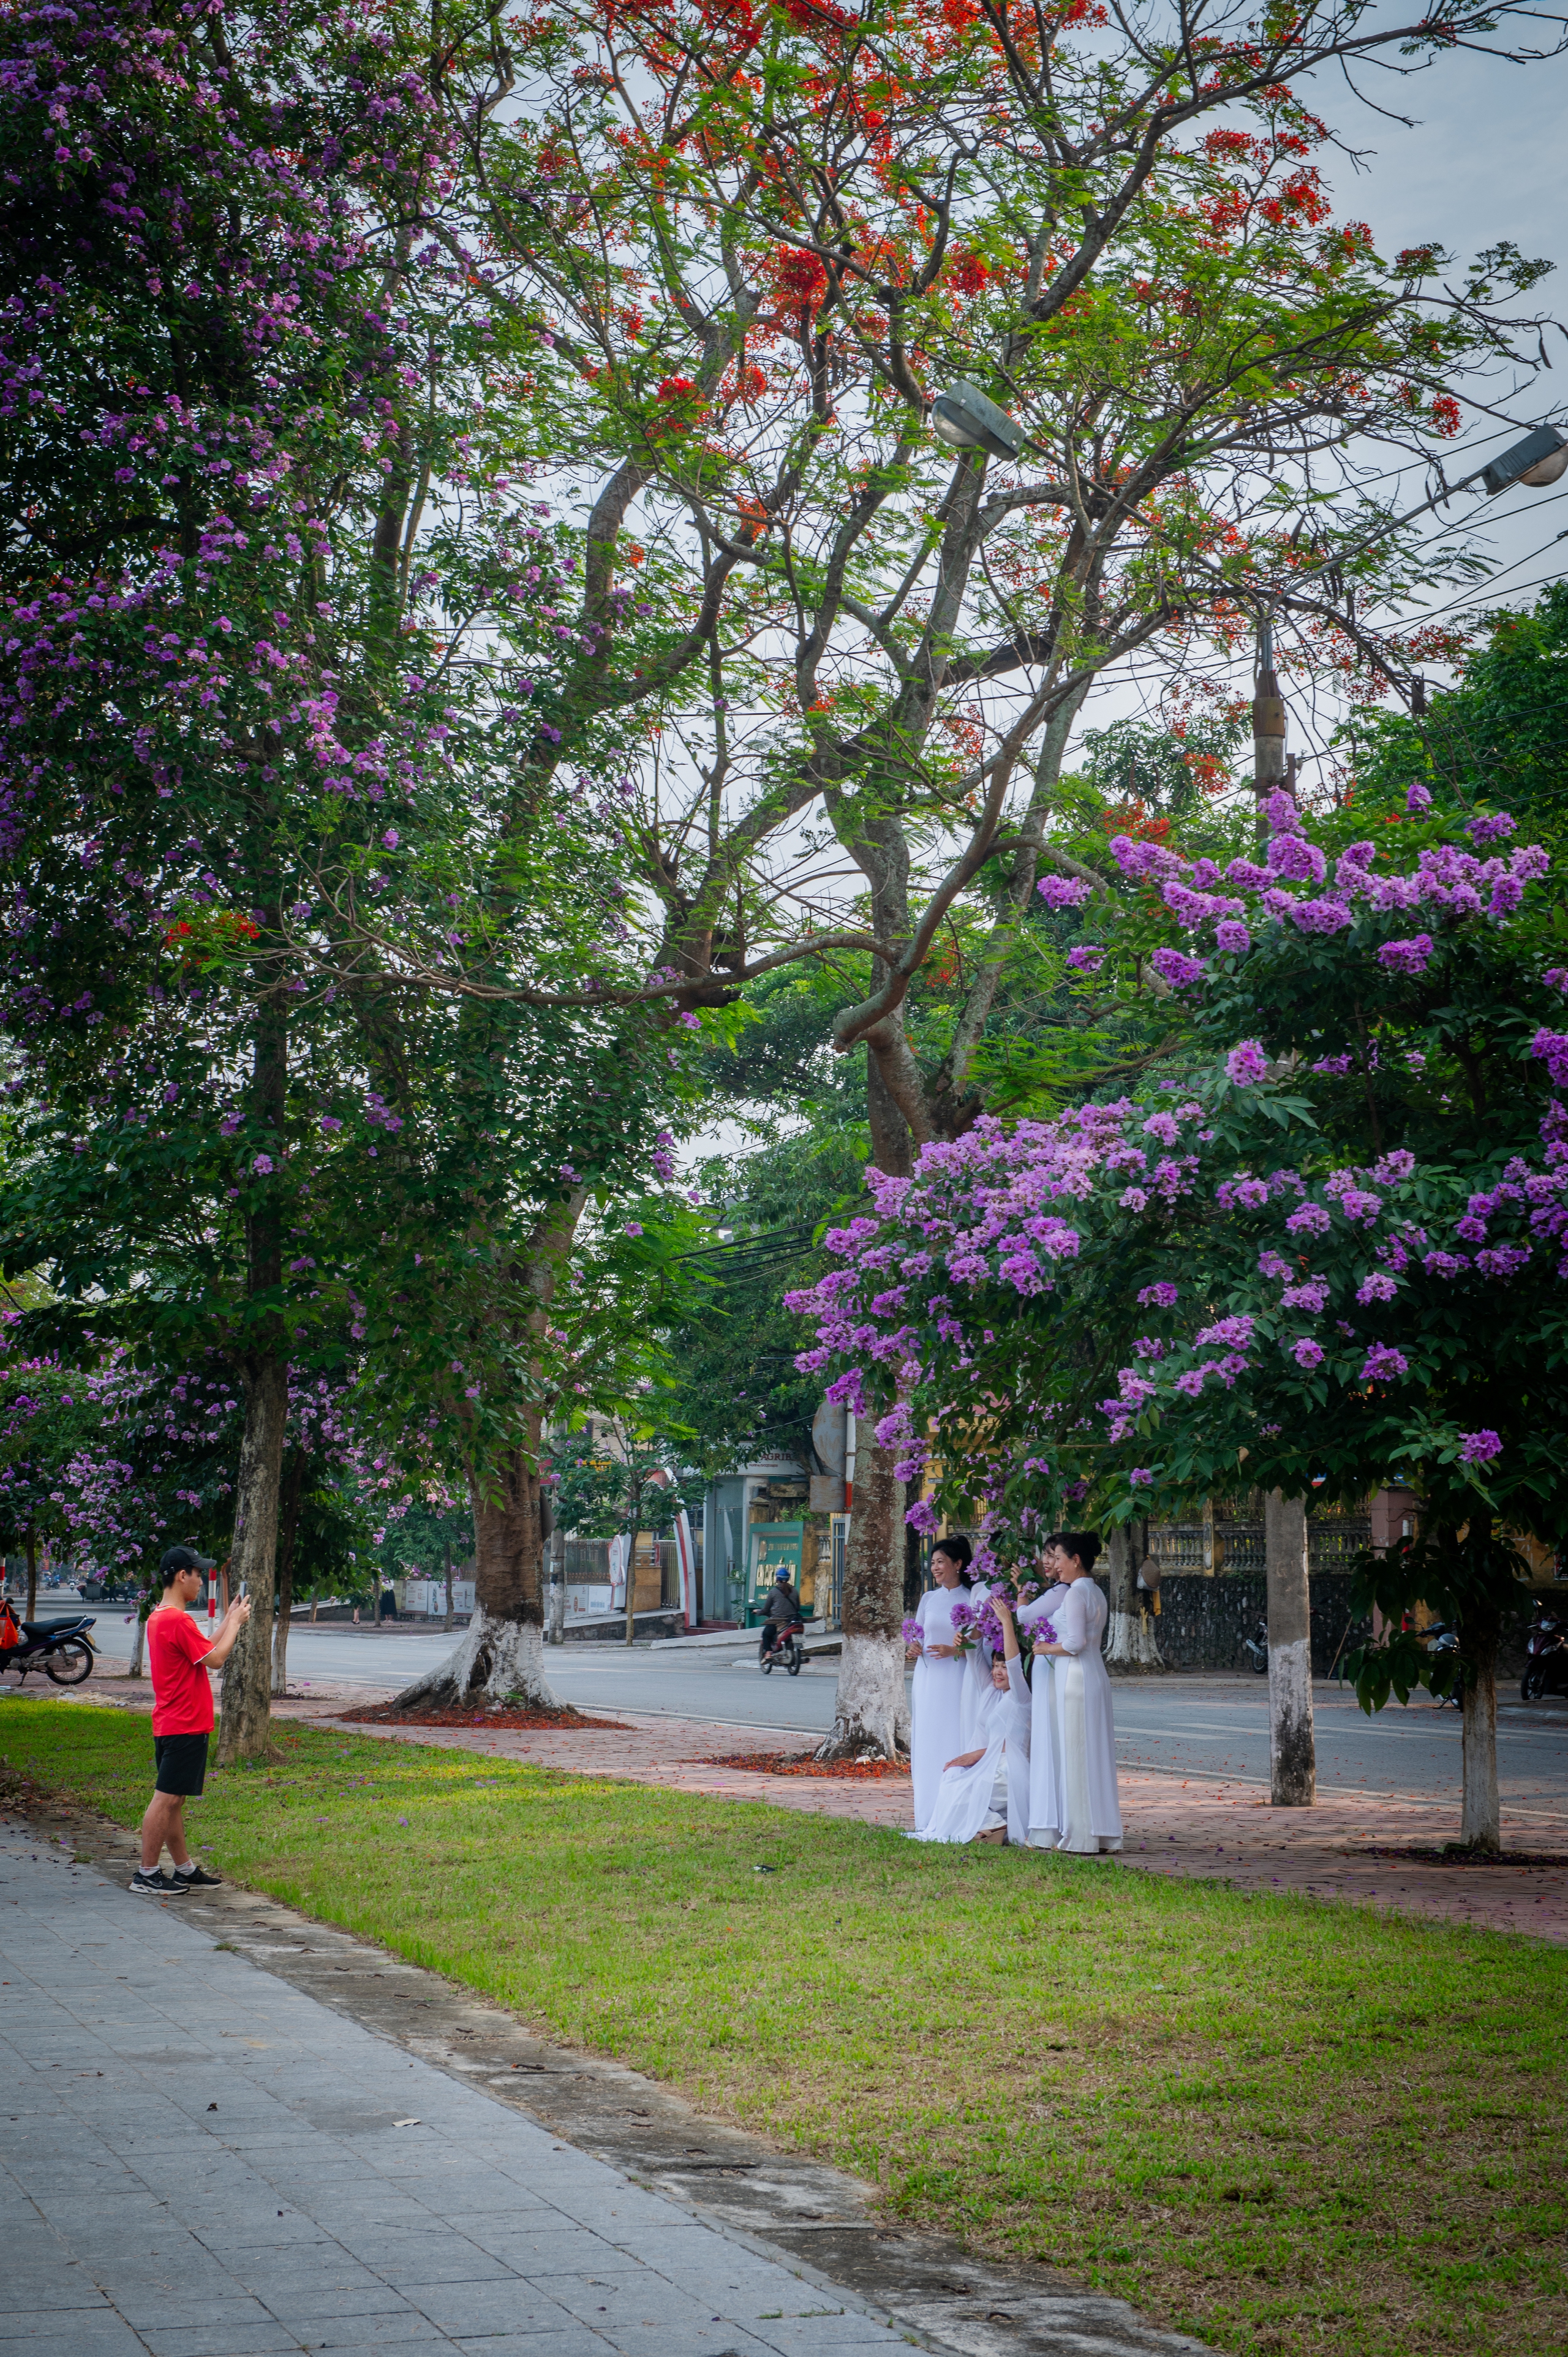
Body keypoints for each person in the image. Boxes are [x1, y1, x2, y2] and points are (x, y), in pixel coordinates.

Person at [132, 1545, 251, 1897]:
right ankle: (147, 1874)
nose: (201, 1580)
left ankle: (183, 1869)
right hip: (183, 1723)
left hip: (175, 1721)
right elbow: (215, 1659)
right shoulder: (176, 1619)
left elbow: (202, 1652)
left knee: (175, 1800)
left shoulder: (161, 1616)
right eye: (197, 1573)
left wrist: (229, 1619)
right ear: (182, 1575)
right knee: (165, 1800)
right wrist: (238, 1625)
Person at [914, 1589, 1033, 1845]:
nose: (999, 1672)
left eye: (1003, 1667)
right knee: (951, 1778)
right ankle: (991, 1826)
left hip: (1009, 1769)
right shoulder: (990, 1690)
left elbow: (1014, 1662)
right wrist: (980, 1619)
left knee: (964, 1789)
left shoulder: (1021, 1697)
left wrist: (1006, 1623)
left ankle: (993, 1825)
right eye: (996, 1666)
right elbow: (975, 1651)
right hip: (988, 1764)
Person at [1030, 1531, 1121, 1854]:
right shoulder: (1095, 1591)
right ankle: (1102, 1833)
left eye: (1059, 1559)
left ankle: (1081, 1835)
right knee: (1093, 1755)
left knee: (1076, 1755)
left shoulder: (1073, 1593)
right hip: (1095, 1673)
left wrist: (1044, 1648)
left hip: (1075, 1677)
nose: (1055, 1565)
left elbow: (1074, 1643)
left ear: (1076, 1560)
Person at [905, 1534, 974, 1835]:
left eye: (941, 1562)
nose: (935, 1568)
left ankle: (954, 1814)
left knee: (954, 1736)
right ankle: (927, 1815)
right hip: (929, 1679)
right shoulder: (928, 1599)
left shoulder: (972, 1599)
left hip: (957, 1678)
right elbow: (918, 1635)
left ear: (958, 1564)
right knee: (927, 1741)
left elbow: (980, 1645)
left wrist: (954, 1650)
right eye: (932, 1563)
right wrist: (913, 1648)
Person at [758, 1567, 801, 1664]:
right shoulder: (794, 1591)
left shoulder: (774, 1592)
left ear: (777, 1579)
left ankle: (768, 1654)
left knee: (766, 1634)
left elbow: (766, 1609)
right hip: (792, 1621)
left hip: (778, 1622)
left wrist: (758, 1612)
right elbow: (798, 1608)